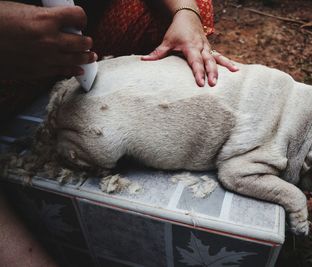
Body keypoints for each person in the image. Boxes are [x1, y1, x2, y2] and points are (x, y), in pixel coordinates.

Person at [0, 0, 238, 265]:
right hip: (9, 62)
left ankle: (140, 81)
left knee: (191, 7)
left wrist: (186, 12)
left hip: (81, 44)